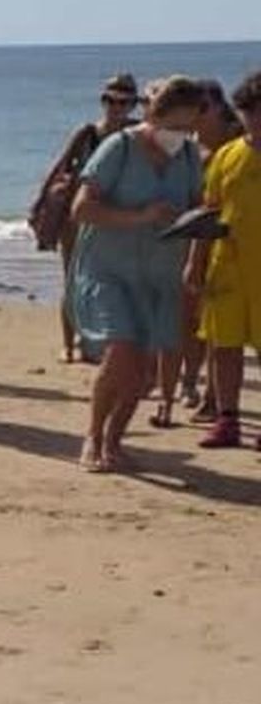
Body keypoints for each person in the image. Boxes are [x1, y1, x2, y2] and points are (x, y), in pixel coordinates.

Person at [70, 75, 206, 472]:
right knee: (122, 350)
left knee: (145, 370)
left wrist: (199, 229)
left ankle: (115, 440)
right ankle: (93, 437)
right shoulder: (120, 147)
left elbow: (196, 205)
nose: (179, 134)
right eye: (173, 125)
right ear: (153, 115)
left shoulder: (188, 155)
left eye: (187, 126)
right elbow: (82, 208)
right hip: (108, 268)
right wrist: (141, 216)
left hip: (159, 274)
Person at [31, 73, 139, 364]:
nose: (115, 107)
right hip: (77, 214)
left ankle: (98, 341)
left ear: (133, 104)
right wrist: (39, 203)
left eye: (123, 102)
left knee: (110, 281)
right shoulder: (88, 133)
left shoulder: (136, 134)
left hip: (115, 217)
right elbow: (59, 166)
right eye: (109, 100)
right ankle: (68, 344)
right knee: (73, 279)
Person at [186, 69, 261, 449]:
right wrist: (194, 262)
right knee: (224, 345)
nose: (256, 119)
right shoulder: (226, 156)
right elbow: (208, 213)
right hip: (226, 264)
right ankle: (226, 419)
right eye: (250, 112)